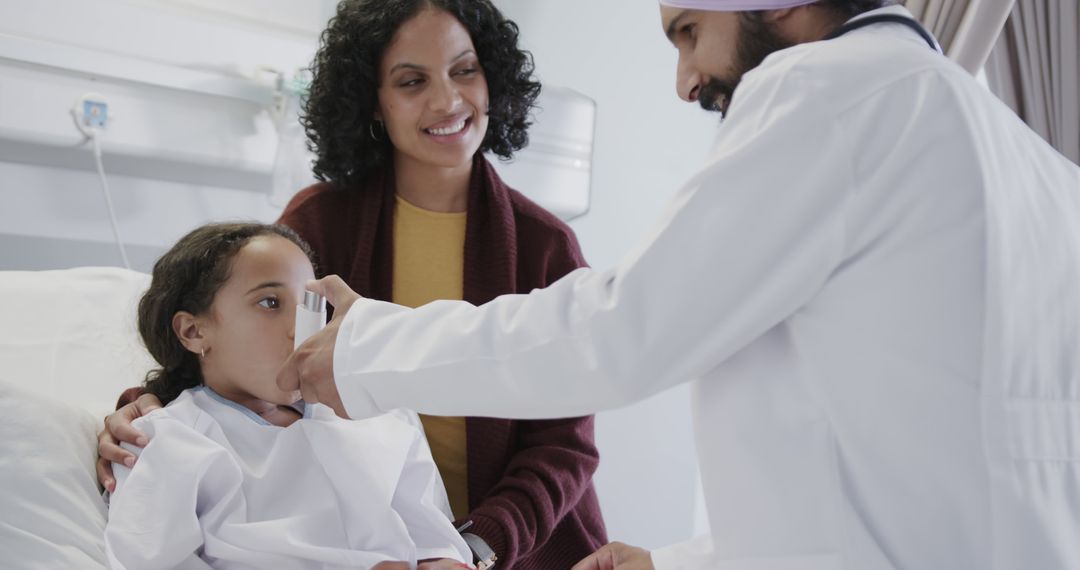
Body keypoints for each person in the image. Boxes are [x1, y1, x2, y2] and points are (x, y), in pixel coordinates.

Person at [276, 0, 1080, 569]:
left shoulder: (827, 93)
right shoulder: (1033, 163)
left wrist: (366, 345)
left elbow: (619, 334)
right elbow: (913, 464)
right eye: (411, 81)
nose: (686, 81)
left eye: (688, 32)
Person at [97, 1, 608, 568]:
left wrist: (474, 545)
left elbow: (564, 442)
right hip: (360, 541)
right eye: (412, 81)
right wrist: (145, 412)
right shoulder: (320, 223)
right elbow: (242, 346)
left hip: (515, 543)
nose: (448, 100)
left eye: (464, 70)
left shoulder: (545, 246)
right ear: (372, 102)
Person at [104, 222, 472, 569]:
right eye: (269, 303)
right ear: (193, 331)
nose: (304, 326)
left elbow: (434, 536)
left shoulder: (382, 419)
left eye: (311, 306)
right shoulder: (168, 442)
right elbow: (150, 560)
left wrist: (443, 559)